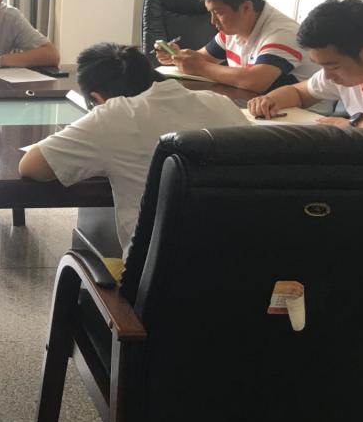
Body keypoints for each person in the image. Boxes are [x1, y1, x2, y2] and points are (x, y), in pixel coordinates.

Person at [19, 43, 249, 274]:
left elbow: (31, 166)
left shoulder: (115, 115)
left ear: (97, 98)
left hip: (160, 281)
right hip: (248, 272)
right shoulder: (220, 103)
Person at [155, 0, 317, 92]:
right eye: (210, 13)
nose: (212, 21)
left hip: (303, 118)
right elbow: (204, 58)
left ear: (246, 7)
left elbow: (255, 81)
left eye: (218, 13)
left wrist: (201, 68)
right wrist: (176, 56)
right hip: (259, 109)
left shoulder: (282, 33)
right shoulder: (233, 31)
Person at [247, 0, 363, 128]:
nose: (327, 76)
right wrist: (269, 100)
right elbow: (298, 93)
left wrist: (354, 124)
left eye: (334, 67)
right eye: (321, 65)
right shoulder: (339, 73)